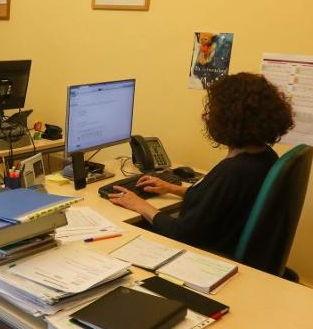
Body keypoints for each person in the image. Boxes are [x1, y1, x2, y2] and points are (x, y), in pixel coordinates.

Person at [107, 73, 294, 258]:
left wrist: (140, 205)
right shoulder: (266, 156)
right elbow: (218, 201)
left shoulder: (233, 172)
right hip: (228, 245)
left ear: (226, 119)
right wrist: (171, 188)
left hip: (207, 257)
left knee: (119, 236)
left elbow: (182, 234)